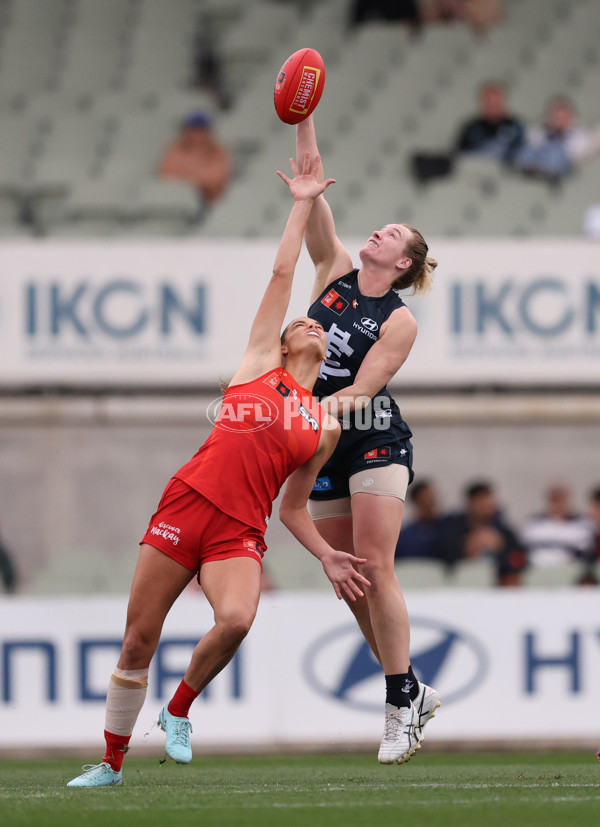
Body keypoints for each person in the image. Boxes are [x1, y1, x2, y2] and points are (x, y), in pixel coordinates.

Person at [67, 154, 370, 788]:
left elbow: (292, 507)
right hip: (188, 503)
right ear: (284, 342)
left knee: (234, 619)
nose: (311, 320)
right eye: (300, 322)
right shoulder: (260, 364)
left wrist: (326, 556)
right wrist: (303, 201)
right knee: (136, 642)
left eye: (318, 322)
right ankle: (111, 763)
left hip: (239, 528)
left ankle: (178, 711)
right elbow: (285, 271)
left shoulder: (326, 425)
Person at [295, 114, 441, 766]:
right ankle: (410, 685)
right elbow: (315, 206)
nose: (377, 231)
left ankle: (395, 708)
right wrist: (304, 122)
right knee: (351, 579)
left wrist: (299, 409)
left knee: (376, 565)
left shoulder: (400, 319)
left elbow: (364, 390)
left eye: (392, 233)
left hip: (371, 436)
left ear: (403, 260)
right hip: (321, 440)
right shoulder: (335, 270)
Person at [437, 480, 527, 586]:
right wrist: (467, 550)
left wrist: (500, 547)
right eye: (480, 501)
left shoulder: (504, 533)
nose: (486, 506)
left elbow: (520, 561)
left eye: (488, 500)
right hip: (462, 588)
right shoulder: (453, 532)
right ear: (470, 503)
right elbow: (442, 563)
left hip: (498, 589)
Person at [511, 96, 600, 184]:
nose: (559, 120)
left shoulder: (580, 138)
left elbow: (572, 160)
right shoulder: (537, 133)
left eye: (563, 117)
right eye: (556, 117)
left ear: (570, 116)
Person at [158, 111, 232, 209]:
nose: (197, 134)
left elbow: (168, 172)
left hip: (203, 204)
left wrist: (187, 180)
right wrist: (199, 181)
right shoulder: (217, 150)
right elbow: (168, 172)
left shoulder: (177, 148)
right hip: (189, 201)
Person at [519, 483, 596, 573]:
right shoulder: (531, 525)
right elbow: (522, 551)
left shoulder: (582, 526)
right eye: (554, 499)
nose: (557, 504)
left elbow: (586, 555)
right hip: (537, 575)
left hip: (570, 575)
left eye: (561, 499)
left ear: (567, 500)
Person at [455, 81, 525, 163]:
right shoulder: (471, 128)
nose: (492, 106)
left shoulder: (516, 127)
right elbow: (460, 156)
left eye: (495, 103)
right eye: (489, 102)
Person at [395, 479, 447, 560]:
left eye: (433, 496)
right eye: (427, 496)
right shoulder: (405, 536)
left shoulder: (449, 526)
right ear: (415, 501)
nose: (432, 500)